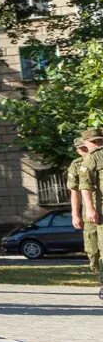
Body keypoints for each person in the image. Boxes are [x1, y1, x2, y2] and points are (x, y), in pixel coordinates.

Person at [74, 129, 103, 300]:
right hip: (101, 212)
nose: (97, 144)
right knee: (96, 251)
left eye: (99, 140)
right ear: (86, 143)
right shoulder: (91, 159)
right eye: (94, 141)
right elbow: (84, 186)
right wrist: (90, 209)